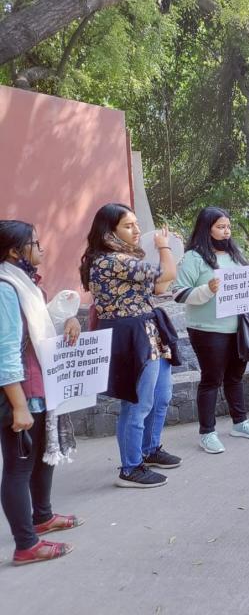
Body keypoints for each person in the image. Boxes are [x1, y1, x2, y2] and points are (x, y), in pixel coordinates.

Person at [81, 204, 182, 488]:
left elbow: (160, 287)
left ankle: (149, 450)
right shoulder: (110, 260)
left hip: (149, 330)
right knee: (137, 403)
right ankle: (130, 468)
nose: (137, 231)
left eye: (137, 224)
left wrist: (168, 249)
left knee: (161, 396)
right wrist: (165, 247)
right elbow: (168, 272)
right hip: (131, 335)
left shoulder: (127, 258)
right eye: (128, 226)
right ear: (109, 231)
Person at [1, 220, 82, 564]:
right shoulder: (5, 288)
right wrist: (18, 406)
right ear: (14, 252)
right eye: (35, 243)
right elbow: (5, 351)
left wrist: (69, 321)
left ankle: (42, 516)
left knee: (42, 456)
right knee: (19, 466)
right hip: (19, 391)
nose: (42, 249)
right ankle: (26, 545)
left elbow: (37, 327)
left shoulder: (25, 284)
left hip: (39, 383)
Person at [171, 207, 249, 454]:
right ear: (207, 229)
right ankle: (207, 432)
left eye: (228, 227)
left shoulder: (235, 254)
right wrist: (207, 290)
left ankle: (240, 422)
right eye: (220, 227)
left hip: (237, 328)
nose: (226, 232)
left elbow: (246, 283)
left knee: (235, 377)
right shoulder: (194, 257)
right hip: (207, 329)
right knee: (211, 379)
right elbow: (179, 293)